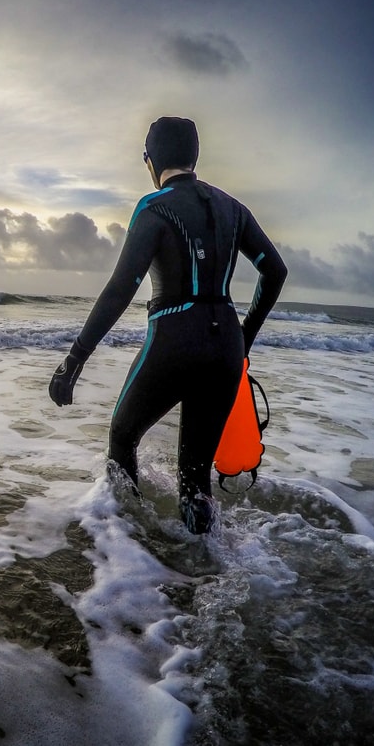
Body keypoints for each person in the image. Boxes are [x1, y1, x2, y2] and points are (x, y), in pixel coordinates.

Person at [48, 116, 287, 534]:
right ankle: (203, 560)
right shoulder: (234, 208)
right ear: (195, 157)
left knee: (123, 437)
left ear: (150, 160)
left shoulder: (154, 207)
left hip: (174, 340)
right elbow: (275, 272)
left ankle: (123, 546)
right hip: (225, 348)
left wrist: (75, 359)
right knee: (195, 481)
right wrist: (244, 337)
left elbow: (123, 287)